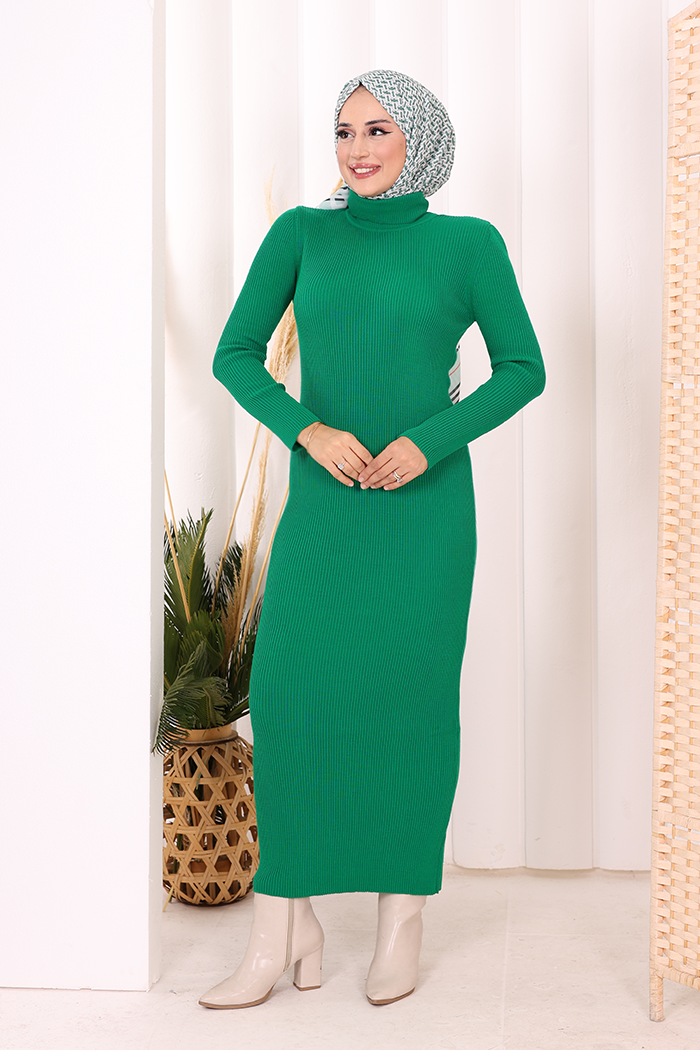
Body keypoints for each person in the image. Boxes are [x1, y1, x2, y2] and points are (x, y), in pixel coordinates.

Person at [200, 69, 545, 1010]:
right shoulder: (301, 235)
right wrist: (306, 429)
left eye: (378, 130)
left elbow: (523, 368)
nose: (356, 149)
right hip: (325, 508)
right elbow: (234, 353)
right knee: (289, 697)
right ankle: (283, 927)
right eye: (344, 131)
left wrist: (429, 442)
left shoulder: (468, 244)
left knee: (410, 707)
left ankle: (402, 922)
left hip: (424, 518)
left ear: (418, 139)